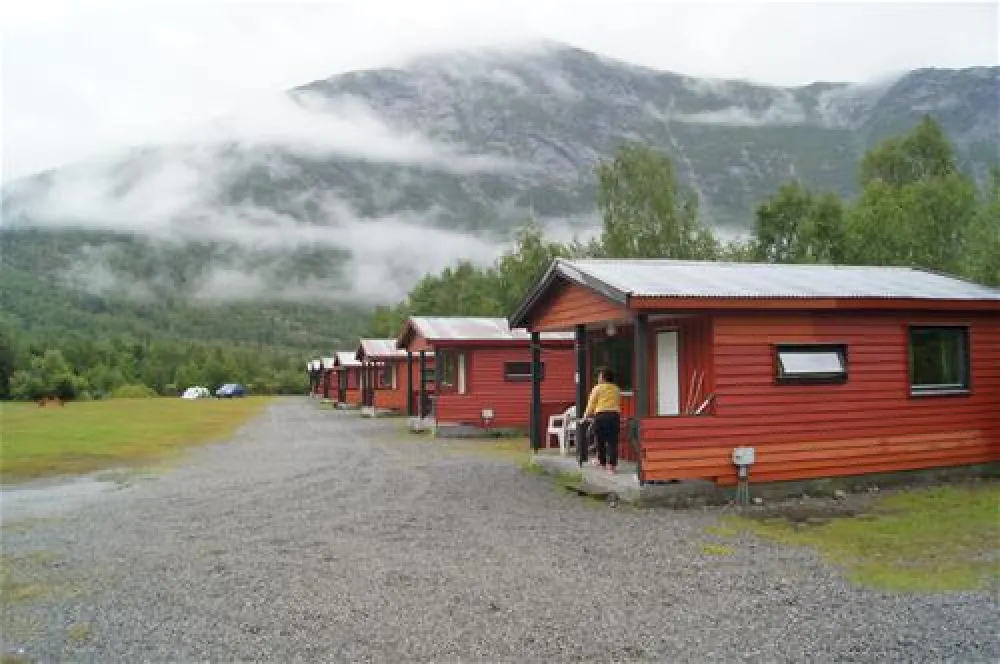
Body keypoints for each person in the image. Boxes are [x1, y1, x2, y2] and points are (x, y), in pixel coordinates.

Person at [583, 366, 622, 474]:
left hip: (601, 416)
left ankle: (602, 462)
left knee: (600, 440)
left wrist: (585, 416)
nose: (598, 378)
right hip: (614, 416)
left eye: (599, 376)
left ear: (604, 378)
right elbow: (617, 402)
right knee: (612, 441)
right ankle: (612, 466)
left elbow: (591, 403)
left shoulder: (597, 388)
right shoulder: (616, 389)